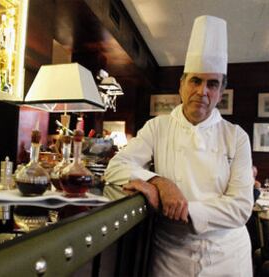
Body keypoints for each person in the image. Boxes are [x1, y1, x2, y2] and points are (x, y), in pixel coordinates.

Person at [104, 15, 254, 276]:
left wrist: (183, 207)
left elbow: (240, 208)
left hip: (228, 255)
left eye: (212, 84)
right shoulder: (157, 127)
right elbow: (115, 168)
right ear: (182, 84)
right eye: (196, 81)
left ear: (221, 92)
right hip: (171, 255)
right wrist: (159, 183)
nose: (203, 91)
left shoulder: (237, 136)